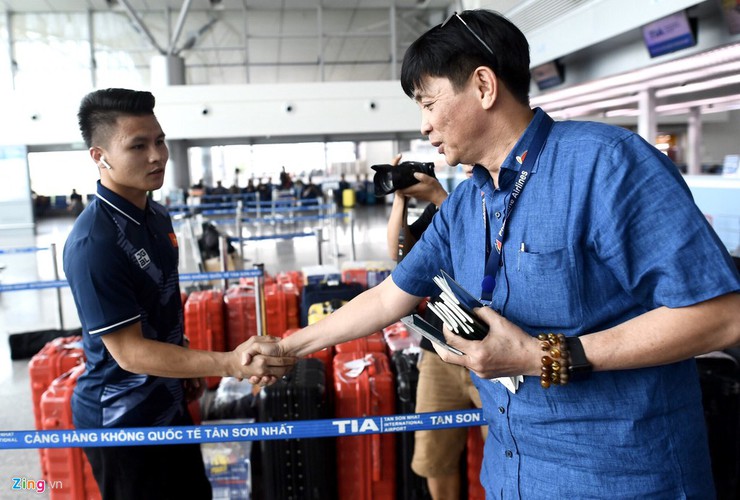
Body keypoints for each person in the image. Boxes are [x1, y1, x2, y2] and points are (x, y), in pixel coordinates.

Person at [246, 10, 740, 498]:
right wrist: (288, 349)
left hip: (620, 476)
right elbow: (385, 300)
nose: (424, 126)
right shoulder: (466, 203)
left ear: (483, 86)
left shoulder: (606, 165)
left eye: (429, 102)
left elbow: (721, 316)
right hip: (510, 475)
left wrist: (541, 356)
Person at [63, 88, 296, 500]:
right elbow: (130, 353)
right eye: (138, 146)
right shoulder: (94, 242)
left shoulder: (154, 215)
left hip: (167, 401)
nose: (157, 155)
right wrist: (228, 364)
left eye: (159, 140)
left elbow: (157, 303)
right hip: (123, 421)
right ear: (100, 156)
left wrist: (185, 364)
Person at [386, 155, 482, 499]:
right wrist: (400, 198)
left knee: (508, 454)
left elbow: (478, 241)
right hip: (440, 350)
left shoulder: (506, 199)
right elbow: (400, 254)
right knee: (434, 459)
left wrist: (441, 197)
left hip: (494, 356)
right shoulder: (448, 205)